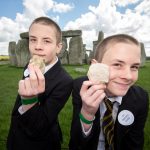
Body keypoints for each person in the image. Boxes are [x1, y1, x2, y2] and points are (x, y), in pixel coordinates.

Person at [69, 34, 149, 150]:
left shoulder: (141, 98)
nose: (128, 76)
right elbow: (76, 142)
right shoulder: (81, 87)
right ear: (95, 67)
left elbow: (135, 143)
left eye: (134, 67)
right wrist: (87, 113)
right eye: (117, 64)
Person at [7, 16, 73, 150]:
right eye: (33, 40)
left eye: (46, 41)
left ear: (58, 47)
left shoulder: (65, 81)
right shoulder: (30, 65)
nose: (37, 47)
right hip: (16, 135)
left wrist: (29, 100)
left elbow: (40, 125)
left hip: (41, 142)